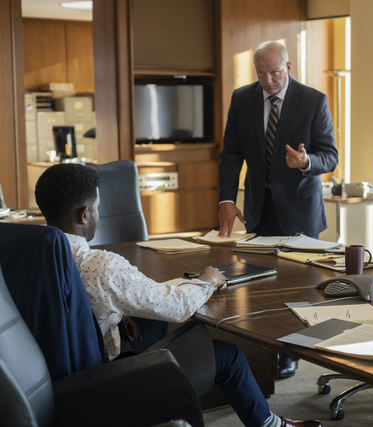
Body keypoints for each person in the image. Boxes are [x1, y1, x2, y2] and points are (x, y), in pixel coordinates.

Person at [35, 163, 322, 427]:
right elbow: (178, 306)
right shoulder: (99, 265)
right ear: (85, 214)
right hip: (105, 379)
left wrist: (117, 311)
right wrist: (207, 281)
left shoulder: (32, 255)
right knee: (228, 354)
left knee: (150, 320)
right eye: (97, 207)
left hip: (65, 369)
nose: (99, 213)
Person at [217, 40, 338, 378]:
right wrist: (227, 199)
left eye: (274, 72)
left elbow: (330, 155)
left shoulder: (313, 101)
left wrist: (306, 161)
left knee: (298, 286)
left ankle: (291, 352)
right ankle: (264, 347)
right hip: (259, 207)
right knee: (259, 285)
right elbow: (230, 154)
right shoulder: (242, 98)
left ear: (288, 67)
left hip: (300, 208)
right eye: (260, 73)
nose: (268, 80)